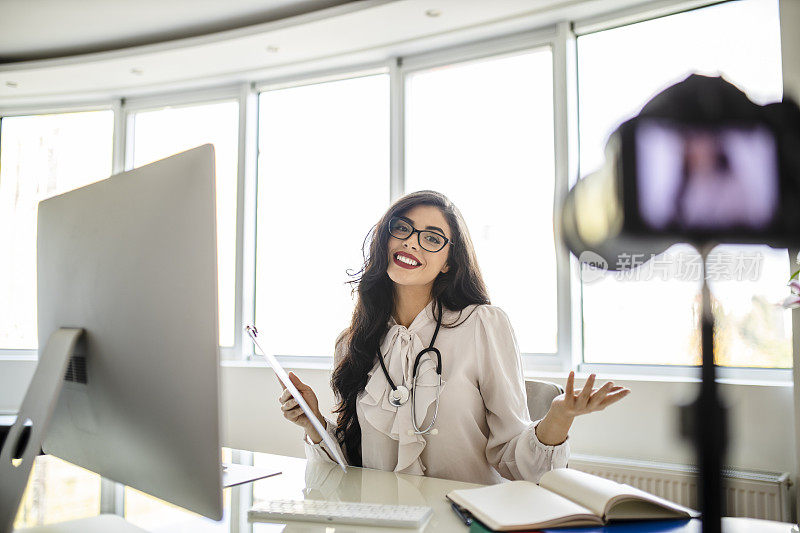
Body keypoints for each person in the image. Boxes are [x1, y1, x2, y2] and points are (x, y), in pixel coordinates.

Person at [278, 190, 630, 484]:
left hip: (463, 518)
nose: (412, 243)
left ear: (448, 261)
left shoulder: (483, 325)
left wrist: (558, 418)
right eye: (402, 229)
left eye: (432, 238)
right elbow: (349, 471)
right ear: (385, 239)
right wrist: (313, 422)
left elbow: (518, 465)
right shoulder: (351, 342)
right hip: (385, 523)